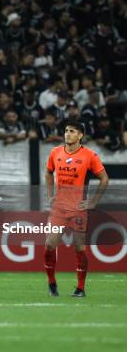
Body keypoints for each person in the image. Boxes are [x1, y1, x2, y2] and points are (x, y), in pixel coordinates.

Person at [44, 120, 109, 297]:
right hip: (59, 208)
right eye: (66, 131)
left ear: (80, 135)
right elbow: (49, 172)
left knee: (79, 247)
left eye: (72, 131)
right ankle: (51, 284)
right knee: (50, 244)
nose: (67, 134)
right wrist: (50, 195)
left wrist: (93, 202)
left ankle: (80, 288)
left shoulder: (90, 156)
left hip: (78, 208)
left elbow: (104, 178)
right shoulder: (55, 152)